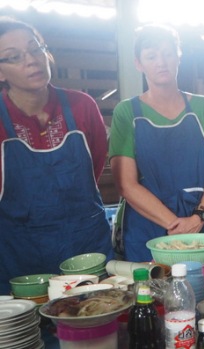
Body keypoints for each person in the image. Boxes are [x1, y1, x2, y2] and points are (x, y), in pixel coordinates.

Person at [0, 17, 113, 293]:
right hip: (20, 258)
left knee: (97, 325)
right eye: (14, 57)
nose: (32, 60)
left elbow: (94, 167)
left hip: (87, 247)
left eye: (35, 48)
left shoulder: (82, 106)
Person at [109, 24, 204, 264]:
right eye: (151, 56)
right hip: (149, 226)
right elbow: (126, 184)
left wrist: (197, 218)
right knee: (152, 296)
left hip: (202, 223)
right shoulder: (126, 113)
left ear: (179, 56)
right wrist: (175, 225)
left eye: (168, 53)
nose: (161, 62)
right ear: (139, 63)